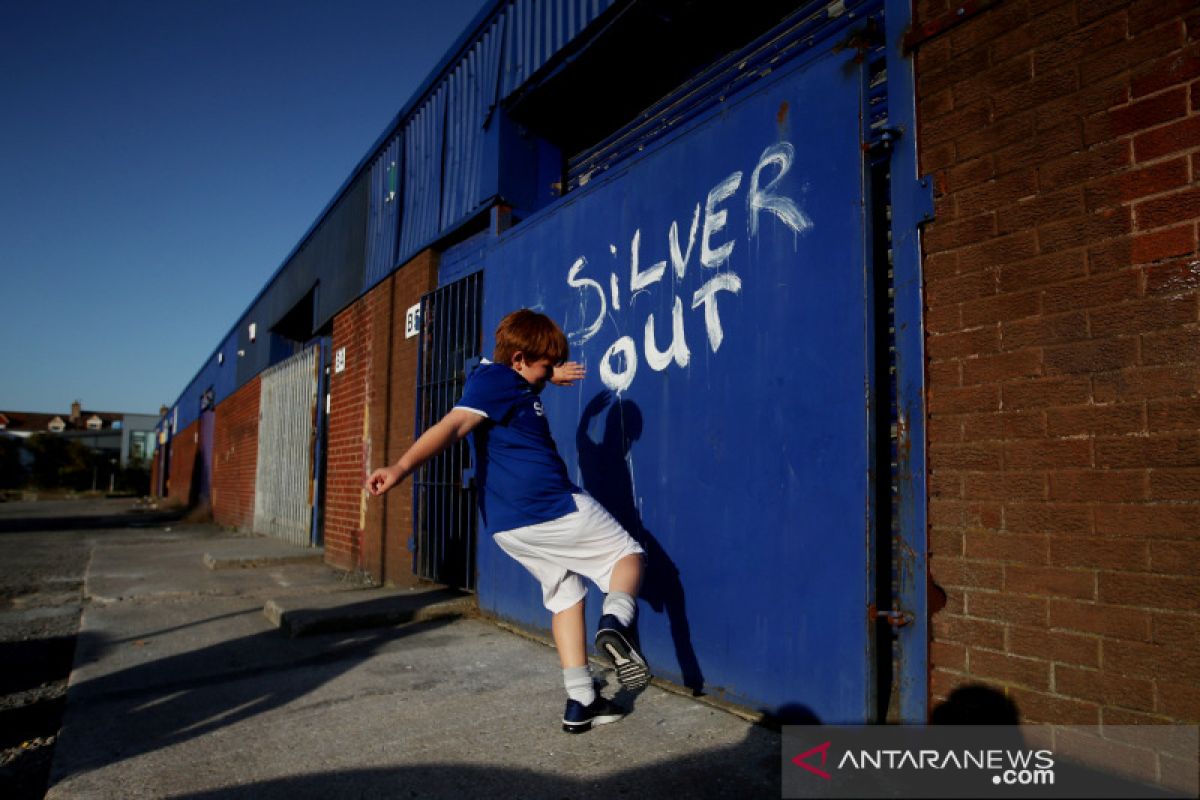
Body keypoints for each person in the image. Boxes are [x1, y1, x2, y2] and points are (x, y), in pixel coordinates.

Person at [366, 308, 649, 734]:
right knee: (627, 556)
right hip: (549, 506)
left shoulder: (505, 381)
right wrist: (400, 468)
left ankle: (581, 701)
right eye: (544, 365)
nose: (549, 372)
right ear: (517, 360)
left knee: (566, 594)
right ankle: (616, 624)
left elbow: (518, 386)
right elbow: (453, 425)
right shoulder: (495, 381)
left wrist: (548, 376)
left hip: (509, 526)